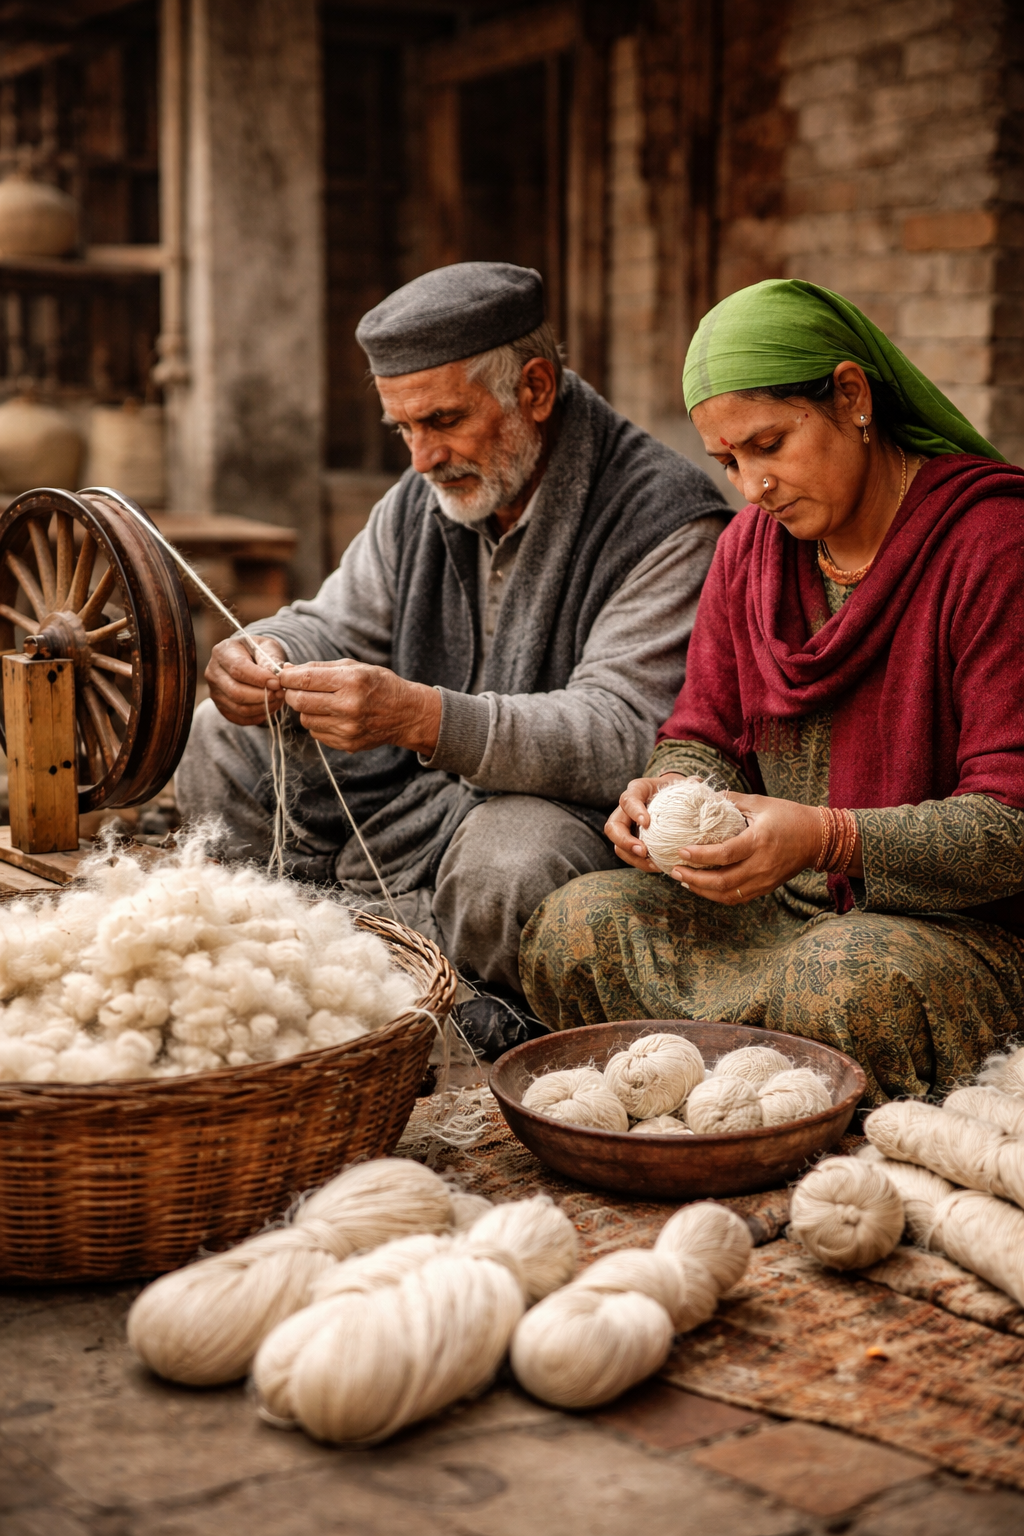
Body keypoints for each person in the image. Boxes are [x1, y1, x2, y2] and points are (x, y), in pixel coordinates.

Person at [175, 261, 729, 1052]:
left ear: (534, 389)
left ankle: (482, 1020)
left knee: (511, 863)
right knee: (216, 737)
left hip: (554, 815)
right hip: (416, 802)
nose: (421, 457)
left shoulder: (665, 520)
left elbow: (624, 731)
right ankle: (277, 962)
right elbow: (337, 623)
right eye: (403, 428)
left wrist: (423, 717)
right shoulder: (424, 495)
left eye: (442, 420)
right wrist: (267, 652)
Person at [520, 278, 1024, 1104]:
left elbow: (1013, 826)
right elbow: (703, 735)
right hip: (774, 911)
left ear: (852, 396)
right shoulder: (752, 549)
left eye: (770, 445)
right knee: (577, 926)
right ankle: (740, 1096)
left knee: (841, 981)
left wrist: (828, 840)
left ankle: (740, 1090)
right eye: (728, 461)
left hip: (953, 934)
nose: (752, 486)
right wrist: (673, 798)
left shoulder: (995, 545)